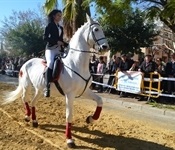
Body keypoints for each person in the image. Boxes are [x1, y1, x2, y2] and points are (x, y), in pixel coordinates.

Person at [43, 9, 64, 97]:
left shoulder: (60, 27)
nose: (60, 17)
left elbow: (61, 40)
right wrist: (56, 42)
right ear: (54, 16)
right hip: (50, 49)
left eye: (60, 16)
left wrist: (66, 44)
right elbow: (45, 37)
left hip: (59, 49)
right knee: (51, 63)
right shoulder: (50, 25)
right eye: (58, 15)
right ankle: (47, 87)